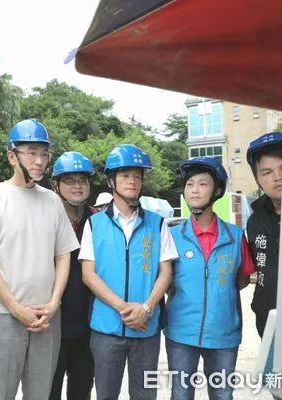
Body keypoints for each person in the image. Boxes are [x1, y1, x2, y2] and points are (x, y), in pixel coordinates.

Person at [0, 118, 80, 399]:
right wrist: (16, 307)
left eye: (43, 153)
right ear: (12, 156)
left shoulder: (52, 200)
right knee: (2, 394)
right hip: (2, 315)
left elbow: (63, 255)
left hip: (46, 317)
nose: (39, 160)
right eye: (31, 152)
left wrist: (54, 302)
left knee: (40, 393)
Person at [80, 144, 178, 400]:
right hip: (106, 330)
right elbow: (88, 275)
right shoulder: (95, 223)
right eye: (125, 175)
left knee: (145, 394)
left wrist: (145, 309)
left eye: (137, 176)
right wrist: (125, 308)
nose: (133, 181)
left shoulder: (157, 224)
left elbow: (165, 272)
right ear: (111, 181)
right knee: (106, 394)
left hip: (146, 328)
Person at [164, 156, 256, 400]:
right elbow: (163, 279)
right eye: (190, 184)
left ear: (217, 190)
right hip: (181, 332)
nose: (194, 190)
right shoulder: (172, 236)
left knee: (223, 394)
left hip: (224, 333)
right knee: (181, 394)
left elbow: (243, 278)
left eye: (202, 184)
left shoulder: (235, 236)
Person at [49, 151, 96, 400]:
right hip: (51, 325)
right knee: (50, 391)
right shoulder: (46, 219)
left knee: (81, 391)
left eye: (83, 180)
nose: (77, 186)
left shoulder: (99, 221)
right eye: (70, 181)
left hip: (88, 327)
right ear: (56, 185)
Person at [245, 132, 282, 338]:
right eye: (267, 172)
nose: (277, 177)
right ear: (258, 179)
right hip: (267, 319)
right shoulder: (254, 221)